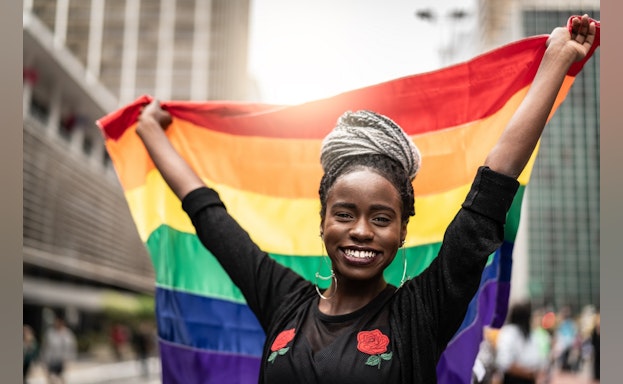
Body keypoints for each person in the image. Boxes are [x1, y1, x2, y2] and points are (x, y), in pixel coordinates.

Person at [136, 15, 597, 384]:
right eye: (345, 214)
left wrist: (557, 61)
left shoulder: (420, 312)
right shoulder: (284, 302)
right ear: (322, 223)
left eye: (381, 217)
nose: (361, 230)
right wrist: (150, 132)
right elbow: (210, 216)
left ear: (401, 232)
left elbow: (491, 192)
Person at [495, 301, 550, 384]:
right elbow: (505, 362)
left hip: (528, 378)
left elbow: (538, 360)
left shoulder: (530, 334)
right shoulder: (509, 332)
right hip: (513, 379)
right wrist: (528, 373)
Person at [40, 315, 77, 384]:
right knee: (51, 379)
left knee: (62, 379)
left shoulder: (68, 334)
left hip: (63, 361)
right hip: (51, 360)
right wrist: (43, 360)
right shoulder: (50, 333)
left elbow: (72, 348)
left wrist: (70, 360)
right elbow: (45, 347)